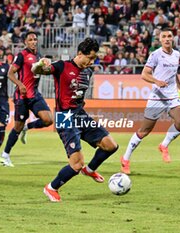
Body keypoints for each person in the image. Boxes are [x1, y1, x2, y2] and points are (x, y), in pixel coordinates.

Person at [32, 38, 118, 202]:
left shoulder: (88, 72)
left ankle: (90, 169)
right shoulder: (62, 66)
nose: (91, 62)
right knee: (77, 164)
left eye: (94, 59)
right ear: (80, 53)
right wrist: (39, 64)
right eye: (90, 58)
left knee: (110, 146)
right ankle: (51, 188)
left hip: (80, 115)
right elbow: (40, 70)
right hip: (64, 117)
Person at [120, 28, 180, 174]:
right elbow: (144, 74)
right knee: (144, 131)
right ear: (160, 39)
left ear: (173, 38)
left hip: (171, 95)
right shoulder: (155, 55)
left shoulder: (177, 54)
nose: (167, 39)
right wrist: (156, 81)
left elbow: (174, 74)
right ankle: (125, 158)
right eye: (164, 37)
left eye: (169, 36)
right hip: (157, 96)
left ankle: (164, 145)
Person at [0, 31, 53, 167]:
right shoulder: (21, 55)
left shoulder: (38, 57)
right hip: (22, 96)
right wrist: (20, 84)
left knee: (48, 120)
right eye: (30, 40)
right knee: (17, 127)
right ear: (25, 42)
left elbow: (39, 72)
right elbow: (10, 74)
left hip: (34, 95)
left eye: (35, 39)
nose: (34, 41)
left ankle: (27, 127)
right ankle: (5, 154)